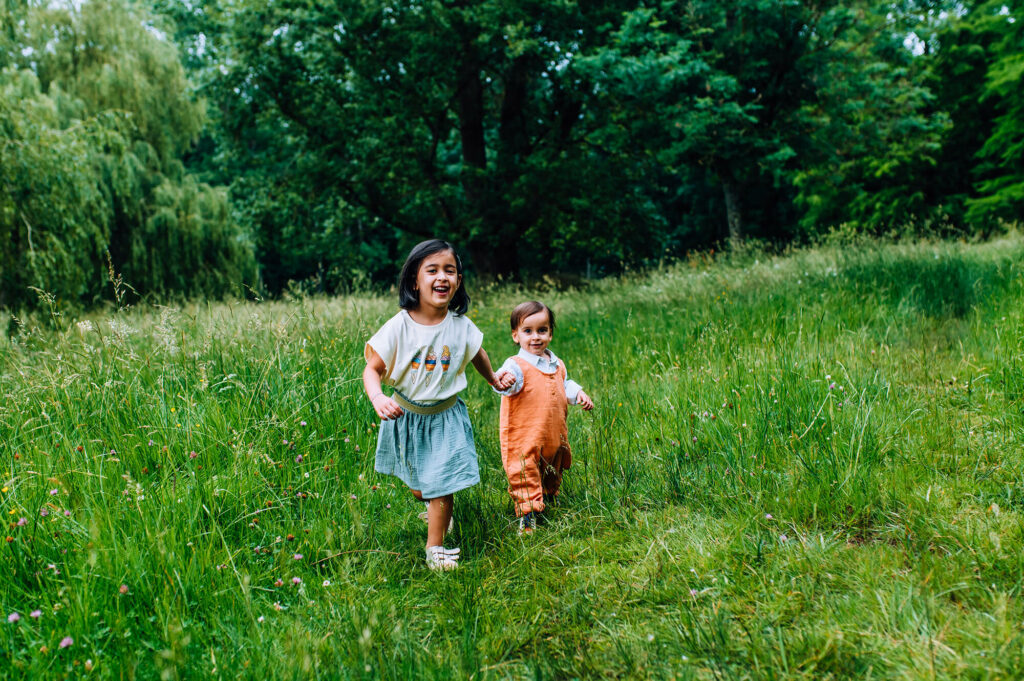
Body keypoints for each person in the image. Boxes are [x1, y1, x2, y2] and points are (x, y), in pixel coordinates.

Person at [363, 239, 514, 570]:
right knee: (423, 489)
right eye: (432, 270)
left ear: (458, 282)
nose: (442, 277)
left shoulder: (461, 326)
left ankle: (435, 549)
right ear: (415, 280)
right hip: (407, 416)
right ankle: (435, 509)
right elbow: (372, 369)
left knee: (442, 485)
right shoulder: (399, 326)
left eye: (450, 271)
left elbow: (477, 353)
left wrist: (492, 379)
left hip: (445, 416)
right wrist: (377, 397)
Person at [493, 301, 594, 535]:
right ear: (515, 335)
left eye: (542, 330)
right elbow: (504, 383)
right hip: (524, 435)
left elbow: (564, 384)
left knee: (552, 466)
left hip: (553, 434)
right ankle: (528, 516)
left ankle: (548, 499)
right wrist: (504, 381)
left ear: (550, 333)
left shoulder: (556, 363)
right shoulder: (516, 364)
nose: (535, 337)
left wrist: (579, 393)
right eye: (528, 331)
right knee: (525, 469)